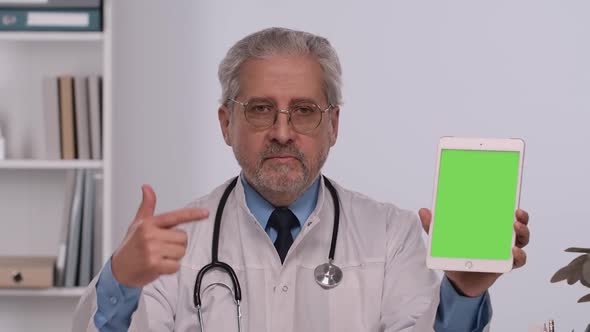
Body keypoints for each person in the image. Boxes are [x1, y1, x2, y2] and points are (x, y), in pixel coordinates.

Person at [72, 27, 530, 332]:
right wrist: (121, 279)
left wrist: (464, 293)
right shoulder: (173, 245)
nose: (282, 132)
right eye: (260, 109)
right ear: (224, 122)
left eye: (305, 111)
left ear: (333, 126)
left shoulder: (393, 235)